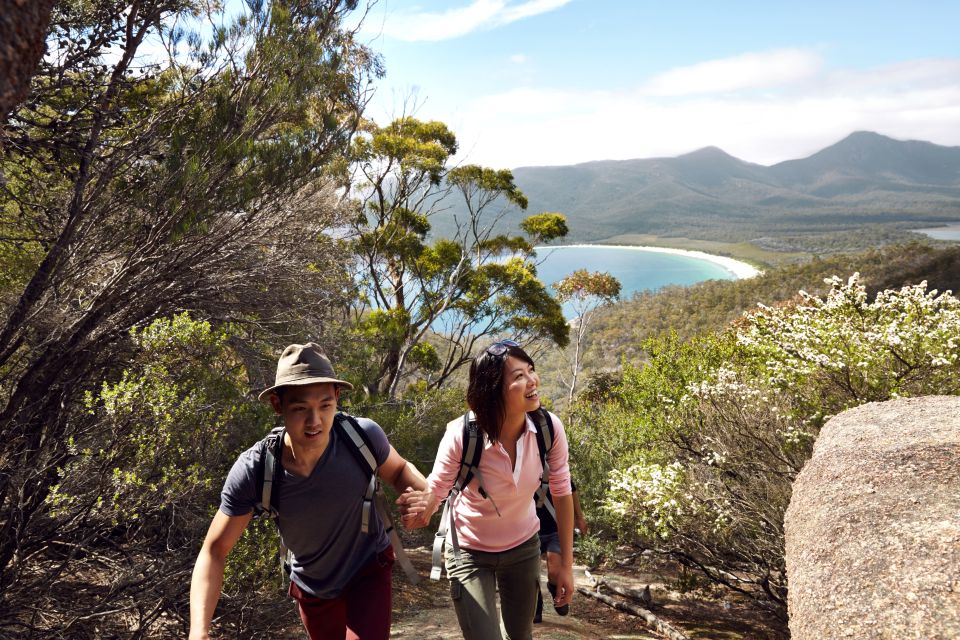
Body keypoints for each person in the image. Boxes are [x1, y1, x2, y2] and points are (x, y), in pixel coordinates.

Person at [189, 343, 427, 640]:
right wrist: (198, 631)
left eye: (325, 406)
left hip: (367, 569)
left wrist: (424, 496)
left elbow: (401, 470)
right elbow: (214, 550)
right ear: (278, 404)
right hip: (312, 586)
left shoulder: (362, 437)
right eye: (301, 408)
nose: (315, 421)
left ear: (337, 398)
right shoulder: (256, 469)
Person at [398, 339, 575, 640]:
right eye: (518, 376)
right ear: (493, 391)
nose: (532, 380)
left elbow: (561, 492)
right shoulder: (462, 434)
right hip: (469, 550)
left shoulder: (549, 429)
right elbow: (437, 488)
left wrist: (566, 565)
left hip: (523, 547)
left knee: (520, 636)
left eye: (530, 370)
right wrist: (422, 509)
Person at [534, 483, 588, 623]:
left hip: (555, 528)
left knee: (554, 571)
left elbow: (571, 491)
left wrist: (579, 517)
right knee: (531, 573)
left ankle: (554, 588)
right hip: (531, 529)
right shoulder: (521, 466)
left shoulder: (555, 466)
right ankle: (535, 608)